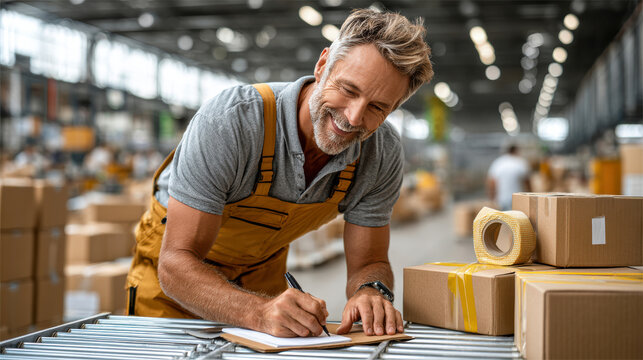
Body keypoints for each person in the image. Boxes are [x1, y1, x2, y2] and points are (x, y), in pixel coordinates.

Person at [126, 9, 433, 338]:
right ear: (322, 65)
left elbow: (369, 260)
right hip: (173, 287)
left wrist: (371, 290)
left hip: (260, 280)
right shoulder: (235, 121)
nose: (354, 118)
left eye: (377, 108)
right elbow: (175, 265)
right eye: (348, 90)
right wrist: (256, 312)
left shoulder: (380, 153)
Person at [487, 144, 530, 210]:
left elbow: (492, 183)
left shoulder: (498, 163)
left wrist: (492, 199)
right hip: (518, 199)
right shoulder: (521, 162)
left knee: (503, 219)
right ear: (516, 151)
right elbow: (527, 183)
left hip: (501, 199)